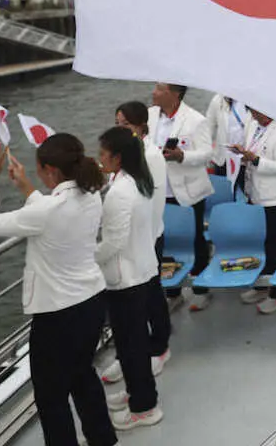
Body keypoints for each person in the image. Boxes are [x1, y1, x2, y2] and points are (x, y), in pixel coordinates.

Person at [0, 136, 117, 446]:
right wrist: (27, 187)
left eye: (39, 170)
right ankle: (104, 439)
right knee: (82, 375)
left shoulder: (50, 209)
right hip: (91, 301)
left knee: (51, 395)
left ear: (50, 170)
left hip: (58, 314)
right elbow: (50, 210)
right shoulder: (90, 194)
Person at [94, 127, 163, 429]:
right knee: (133, 343)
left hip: (126, 278)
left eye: (103, 154)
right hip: (142, 269)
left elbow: (113, 243)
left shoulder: (120, 192)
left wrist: (86, 258)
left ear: (118, 158)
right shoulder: (139, 180)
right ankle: (137, 392)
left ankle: (144, 406)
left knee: (131, 346)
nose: (100, 159)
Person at [104, 101, 172, 379]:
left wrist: (147, 235)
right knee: (131, 305)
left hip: (147, 236)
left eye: (126, 124)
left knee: (151, 294)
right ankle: (130, 354)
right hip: (130, 237)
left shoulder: (152, 155)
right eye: (118, 124)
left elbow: (153, 201)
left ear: (142, 125)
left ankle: (159, 346)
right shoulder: (125, 156)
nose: (121, 129)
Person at [150, 83, 215, 311]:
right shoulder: (149, 117)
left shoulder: (195, 120)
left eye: (159, 89)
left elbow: (207, 154)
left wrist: (181, 156)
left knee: (196, 239)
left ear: (174, 94)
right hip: (159, 190)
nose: (153, 93)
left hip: (188, 190)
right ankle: (173, 291)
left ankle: (200, 288)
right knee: (164, 240)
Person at [230, 108, 276, 313]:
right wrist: (243, 153)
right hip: (254, 193)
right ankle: (262, 284)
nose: (252, 115)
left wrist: (256, 160)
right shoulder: (253, 124)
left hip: (275, 197)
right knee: (261, 242)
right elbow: (254, 148)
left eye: (255, 111)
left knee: (274, 243)